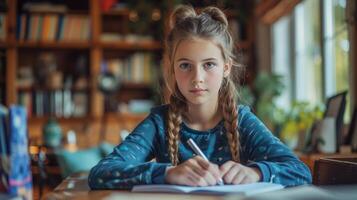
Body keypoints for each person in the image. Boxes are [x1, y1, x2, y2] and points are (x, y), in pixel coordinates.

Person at [88, 5, 312, 189]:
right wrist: (167, 173)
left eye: (209, 65)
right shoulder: (159, 123)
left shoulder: (242, 121)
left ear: (226, 68)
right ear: (173, 69)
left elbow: (300, 170)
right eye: (185, 65)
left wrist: (256, 172)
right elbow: (100, 174)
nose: (197, 78)